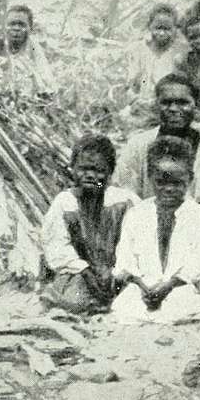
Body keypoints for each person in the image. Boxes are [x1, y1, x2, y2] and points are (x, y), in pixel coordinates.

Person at [111, 136, 200, 323]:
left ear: (189, 179)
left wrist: (169, 285)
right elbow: (125, 256)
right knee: (125, 306)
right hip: (145, 286)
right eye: (161, 182)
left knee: (184, 305)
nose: (168, 189)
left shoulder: (197, 216)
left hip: (180, 286)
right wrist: (141, 284)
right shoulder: (138, 213)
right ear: (151, 178)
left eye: (176, 183)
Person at [40, 134, 139, 314]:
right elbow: (57, 246)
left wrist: (118, 272)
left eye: (98, 170)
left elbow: (137, 241)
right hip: (80, 273)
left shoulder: (124, 200)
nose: (90, 176)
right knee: (73, 301)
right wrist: (85, 271)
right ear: (73, 169)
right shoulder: (65, 202)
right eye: (83, 169)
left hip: (119, 271)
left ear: (110, 172)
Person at [115, 73, 200, 220]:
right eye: (166, 102)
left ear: (196, 104)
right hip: (145, 226)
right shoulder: (137, 146)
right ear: (156, 104)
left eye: (183, 102)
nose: (174, 109)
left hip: (197, 229)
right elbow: (125, 195)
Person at [124, 4, 189, 127]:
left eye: (167, 29)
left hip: (170, 107)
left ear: (175, 29)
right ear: (150, 27)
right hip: (141, 107)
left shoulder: (181, 52)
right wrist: (135, 100)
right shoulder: (137, 50)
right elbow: (129, 85)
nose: (162, 33)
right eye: (158, 28)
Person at [0, 4, 58, 98]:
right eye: (12, 24)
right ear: (5, 26)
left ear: (30, 28)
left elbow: (48, 83)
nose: (16, 28)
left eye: (21, 24)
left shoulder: (34, 48)